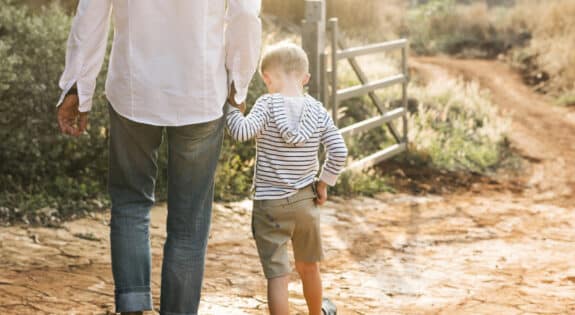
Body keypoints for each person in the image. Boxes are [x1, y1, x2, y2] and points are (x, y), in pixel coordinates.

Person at [56, 1, 261, 314]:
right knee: (190, 223)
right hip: (201, 93)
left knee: (130, 204)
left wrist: (77, 87)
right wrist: (239, 82)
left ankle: (133, 306)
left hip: (133, 91)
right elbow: (245, 14)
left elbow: (91, 12)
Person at [226, 42, 348, 315]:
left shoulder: (266, 104)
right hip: (306, 202)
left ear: (267, 78)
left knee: (278, 276)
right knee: (309, 266)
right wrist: (323, 183)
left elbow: (242, 132)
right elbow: (339, 150)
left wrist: (233, 108)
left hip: (270, 205)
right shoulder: (317, 111)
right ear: (305, 78)